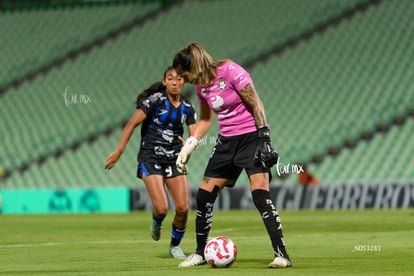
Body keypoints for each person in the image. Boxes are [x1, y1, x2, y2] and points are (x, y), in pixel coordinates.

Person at [172, 42, 292, 268]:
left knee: (260, 196)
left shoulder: (230, 71)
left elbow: (255, 102)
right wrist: (190, 143)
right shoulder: (201, 87)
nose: (185, 80)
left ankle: (281, 255)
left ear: (195, 66)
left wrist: (264, 137)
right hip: (226, 142)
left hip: (251, 138)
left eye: (184, 74)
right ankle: (200, 252)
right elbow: (206, 119)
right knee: (203, 196)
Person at [104, 67, 197, 259]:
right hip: (151, 157)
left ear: (184, 83)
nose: (174, 82)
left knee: (183, 208)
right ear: (164, 82)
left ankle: (174, 246)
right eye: (170, 78)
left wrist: (190, 143)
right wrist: (119, 150)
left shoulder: (188, 108)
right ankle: (157, 219)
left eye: (178, 79)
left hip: (174, 159)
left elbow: (194, 135)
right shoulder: (155, 100)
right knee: (162, 207)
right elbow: (131, 123)